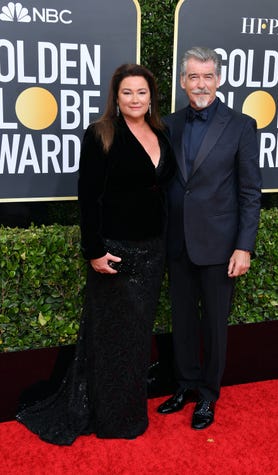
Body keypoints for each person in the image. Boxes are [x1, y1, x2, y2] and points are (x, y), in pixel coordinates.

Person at [16, 64, 176, 445]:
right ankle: (111, 417)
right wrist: (95, 251)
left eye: (141, 92)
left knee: (138, 339)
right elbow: (88, 196)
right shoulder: (101, 133)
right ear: (116, 97)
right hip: (115, 253)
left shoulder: (161, 132)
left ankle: (129, 409)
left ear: (151, 96)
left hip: (153, 251)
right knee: (110, 339)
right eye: (127, 93)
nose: (135, 99)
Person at [157, 47, 262, 430]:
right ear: (183, 81)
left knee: (214, 325)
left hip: (220, 245)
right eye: (193, 77)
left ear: (218, 79)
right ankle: (185, 384)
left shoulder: (241, 125)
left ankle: (207, 395)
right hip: (177, 242)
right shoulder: (167, 124)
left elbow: (250, 191)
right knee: (182, 320)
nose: (200, 84)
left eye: (207, 76)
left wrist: (244, 245)